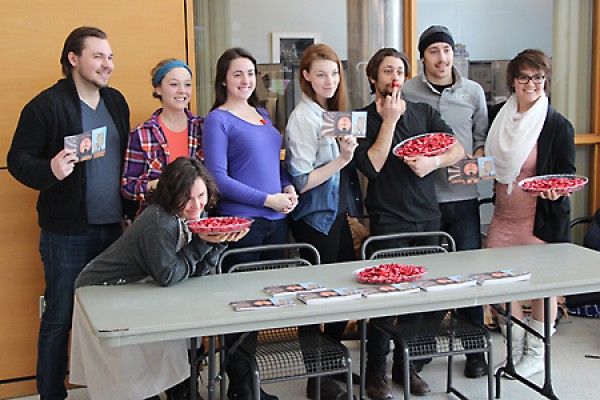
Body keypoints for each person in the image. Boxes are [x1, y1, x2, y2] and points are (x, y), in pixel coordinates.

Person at [6, 26, 137, 400]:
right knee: (59, 317)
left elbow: (124, 161)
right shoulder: (46, 105)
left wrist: (128, 212)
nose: (107, 64)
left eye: (110, 57)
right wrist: (49, 170)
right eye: (99, 56)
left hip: (114, 230)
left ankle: (112, 389)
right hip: (66, 233)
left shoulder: (116, 102)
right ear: (73, 59)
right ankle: (51, 394)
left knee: (113, 319)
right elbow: (17, 160)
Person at [70, 157, 242, 400]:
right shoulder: (160, 221)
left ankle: (181, 392)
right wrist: (204, 242)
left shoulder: (187, 215)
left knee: (174, 343)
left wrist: (219, 242)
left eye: (201, 195)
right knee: (134, 370)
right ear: (171, 194)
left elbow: (192, 270)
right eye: (187, 197)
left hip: (138, 287)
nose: (196, 205)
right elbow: (170, 275)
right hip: (102, 291)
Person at [354, 48, 464, 399]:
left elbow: (457, 149)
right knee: (385, 301)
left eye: (399, 70)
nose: (395, 77)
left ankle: (408, 366)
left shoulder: (424, 112)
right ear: (373, 78)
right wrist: (388, 120)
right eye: (387, 71)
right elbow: (371, 166)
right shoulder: (360, 119)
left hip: (428, 216)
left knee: (421, 299)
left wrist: (434, 163)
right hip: (388, 217)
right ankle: (375, 374)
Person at [202, 47, 298, 400]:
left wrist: (286, 185)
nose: (245, 80)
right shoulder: (217, 119)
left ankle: (251, 384)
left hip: (276, 221)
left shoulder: (260, 114)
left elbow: (275, 163)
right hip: (243, 225)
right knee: (240, 306)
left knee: (262, 304)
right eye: (237, 74)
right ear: (224, 79)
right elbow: (217, 179)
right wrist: (266, 199)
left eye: (250, 73)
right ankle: (240, 389)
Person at [402, 25, 489, 379]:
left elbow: (482, 136)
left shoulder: (473, 91)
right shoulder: (408, 89)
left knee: (468, 277)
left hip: (464, 197)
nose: (442, 58)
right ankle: (419, 353)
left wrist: (477, 160)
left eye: (447, 51)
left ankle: (475, 352)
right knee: (430, 277)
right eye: (434, 51)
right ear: (423, 56)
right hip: (424, 200)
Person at [484, 49, 575, 378]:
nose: (531, 83)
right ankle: (515, 347)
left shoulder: (557, 125)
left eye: (538, 77)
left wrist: (557, 189)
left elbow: (565, 175)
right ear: (512, 81)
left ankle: (535, 355)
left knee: (540, 289)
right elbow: (485, 154)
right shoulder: (498, 116)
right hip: (504, 216)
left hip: (540, 220)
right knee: (499, 287)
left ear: (546, 81)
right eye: (523, 77)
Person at [284, 43, 362, 400]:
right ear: (306, 77)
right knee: (315, 297)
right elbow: (301, 181)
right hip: (313, 218)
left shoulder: (329, 115)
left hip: (335, 215)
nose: (329, 80)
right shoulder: (303, 117)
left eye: (334, 73)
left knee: (341, 292)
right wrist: (342, 160)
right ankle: (317, 376)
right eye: (321, 74)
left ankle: (329, 364)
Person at [121, 58, 203, 206]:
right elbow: (128, 187)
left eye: (187, 84)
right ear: (158, 88)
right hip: (157, 216)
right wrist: (161, 185)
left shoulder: (202, 128)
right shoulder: (142, 133)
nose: (182, 90)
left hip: (198, 215)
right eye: (174, 84)